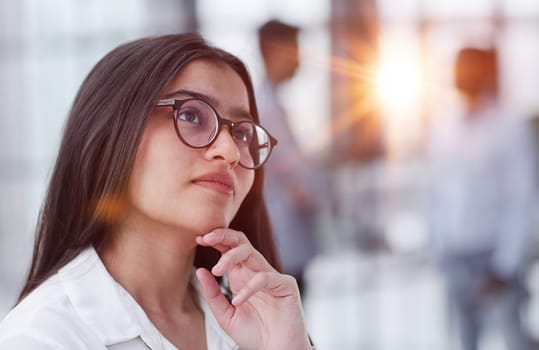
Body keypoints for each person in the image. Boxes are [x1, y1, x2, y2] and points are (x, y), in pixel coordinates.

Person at [0, 33, 314, 350]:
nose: (230, 151)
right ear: (112, 135)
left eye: (243, 134)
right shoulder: (41, 338)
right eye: (191, 115)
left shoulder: (255, 323)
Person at [426, 47, 536, 350]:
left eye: (470, 68)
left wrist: (506, 264)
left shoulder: (509, 126)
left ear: (487, 73)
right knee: (464, 343)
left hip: (495, 259)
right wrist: (438, 249)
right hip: (456, 259)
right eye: (458, 68)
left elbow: (521, 198)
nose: (461, 75)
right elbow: (435, 193)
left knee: (514, 341)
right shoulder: (443, 126)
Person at [256, 19, 324, 294]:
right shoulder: (266, 108)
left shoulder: (272, 104)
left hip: (284, 242)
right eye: (295, 49)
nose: (300, 59)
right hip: (281, 243)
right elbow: (295, 177)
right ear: (275, 51)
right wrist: (317, 194)